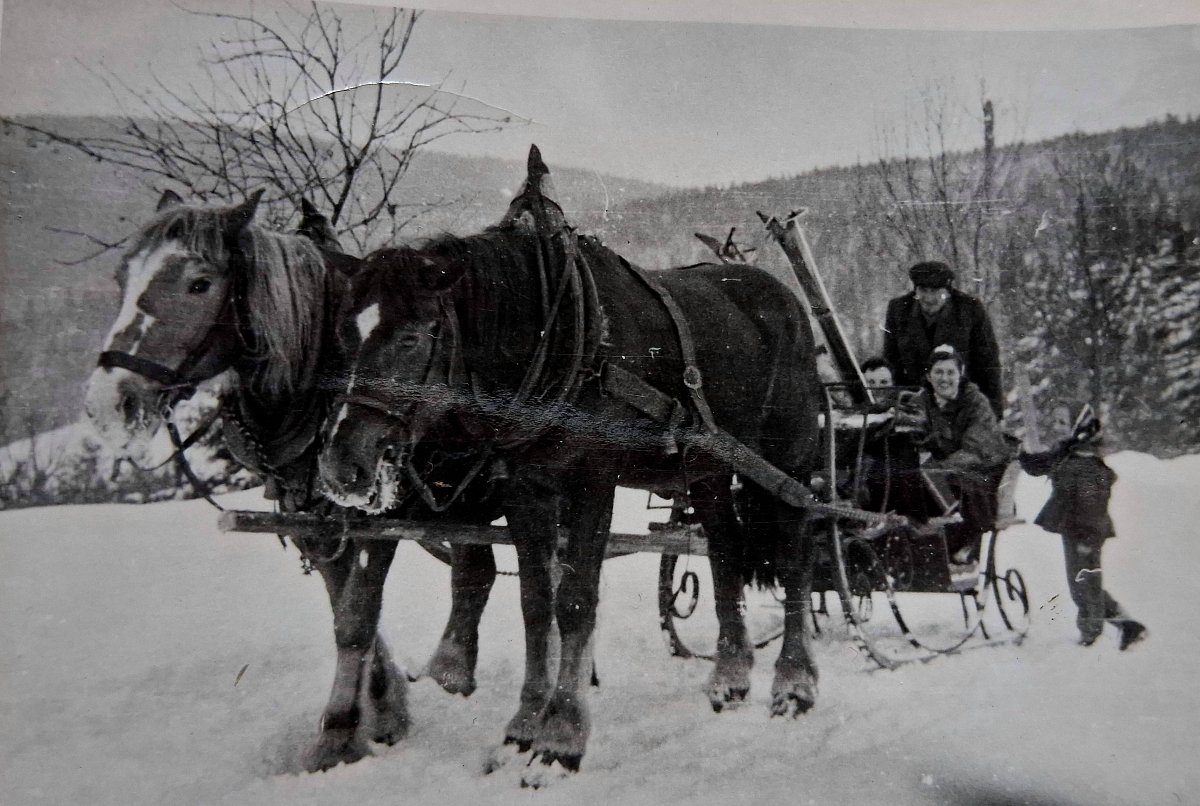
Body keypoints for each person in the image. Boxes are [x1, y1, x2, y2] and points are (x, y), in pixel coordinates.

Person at [1018, 403, 1147, 650]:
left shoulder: (1087, 463)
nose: (1056, 428)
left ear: (1078, 427)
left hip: (1086, 531)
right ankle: (1128, 625)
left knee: (1084, 585)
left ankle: (1091, 637)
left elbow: (1093, 507)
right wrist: (1021, 452)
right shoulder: (1067, 450)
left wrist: (1088, 540)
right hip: (1074, 528)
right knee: (1082, 582)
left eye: (1062, 423)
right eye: (1055, 422)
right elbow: (1040, 464)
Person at [909, 345, 1011, 566]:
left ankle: (964, 543)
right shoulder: (921, 402)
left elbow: (976, 448)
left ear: (960, 373)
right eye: (938, 372)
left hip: (980, 468)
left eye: (950, 372)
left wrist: (939, 467)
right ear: (928, 375)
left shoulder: (975, 402)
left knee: (962, 487)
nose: (944, 379)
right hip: (941, 471)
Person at [884, 260, 1004, 419]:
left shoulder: (970, 310)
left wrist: (994, 413)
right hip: (914, 405)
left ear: (948, 292)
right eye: (922, 291)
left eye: (936, 292)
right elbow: (891, 361)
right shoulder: (899, 310)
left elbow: (988, 365)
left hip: (960, 405)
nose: (928, 298)